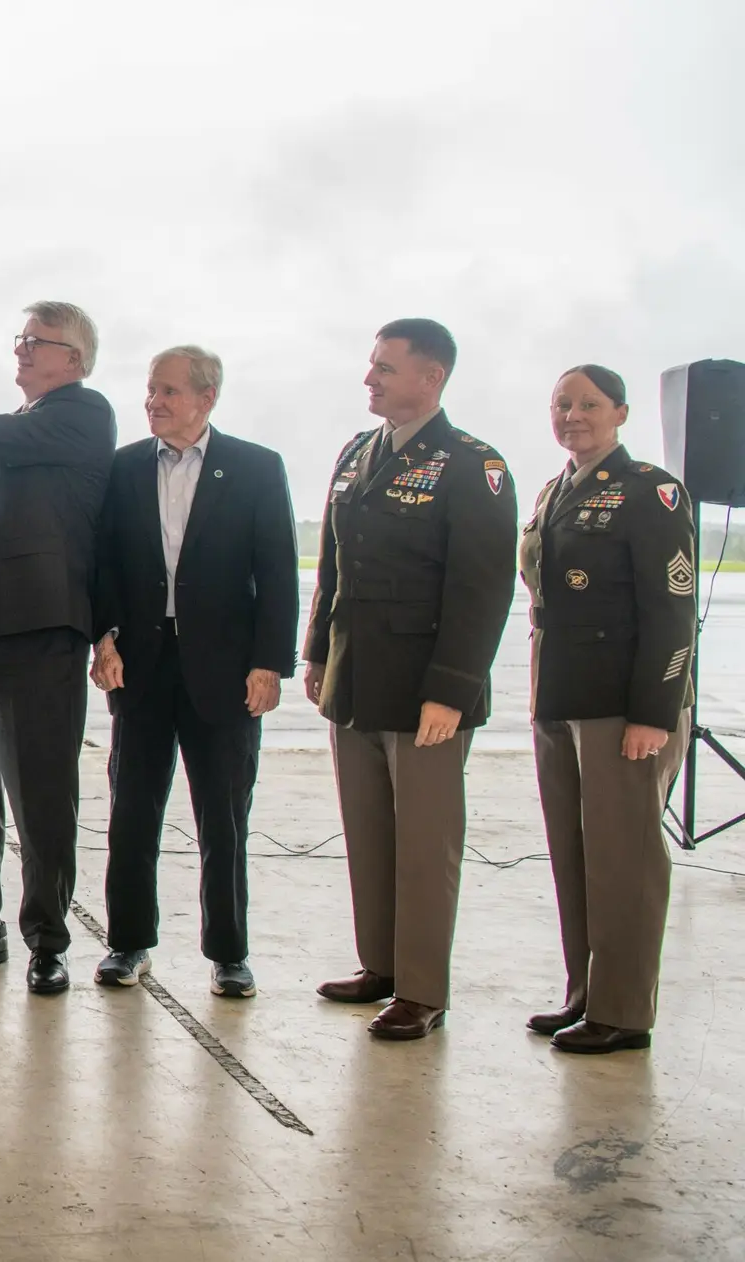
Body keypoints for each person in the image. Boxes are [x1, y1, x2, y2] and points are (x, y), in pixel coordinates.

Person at [304, 317, 519, 1040]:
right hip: (356, 680)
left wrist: (451, 690)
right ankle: (383, 967)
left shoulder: (471, 464)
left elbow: (483, 588)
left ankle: (423, 991)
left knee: (426, 846)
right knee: (368, 835)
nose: (370, 378)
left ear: (431, 377)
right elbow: (333, 568)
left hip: (425, 691)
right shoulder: (357, 452)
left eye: (385, 368)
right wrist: (316, 653)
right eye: (371, 366)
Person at [89, 347, 299, 998]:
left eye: (169, 392)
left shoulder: (257, 468)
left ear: (206, 398)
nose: (154, 401)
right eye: (150, 390)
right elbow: (103, 566)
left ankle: (229, 954)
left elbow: (279, 574)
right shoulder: (122, 469)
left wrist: (270, 663)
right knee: (132, 814)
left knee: (224, 819)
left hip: (226, 673)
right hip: (142, 669)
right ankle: (128, 944)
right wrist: (104, 639)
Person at [0, 301, 118, 996]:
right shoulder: (5, 457)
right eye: (21, 340)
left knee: (40, 798)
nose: (22, 351)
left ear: (73, 358)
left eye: (37, 343)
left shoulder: (81, 414)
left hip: (39, 636)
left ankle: (48, 940)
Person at [520, 364, 695, 1054]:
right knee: (576, 854)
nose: (573, 415)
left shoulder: (650, 491)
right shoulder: (554, 491)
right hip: (562, 699)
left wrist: (653, 711)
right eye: (561, 404)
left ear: (620, 412)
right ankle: (584, 993)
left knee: (624, 860)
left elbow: (672, 612)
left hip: (626, 709)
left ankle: (624, 1011)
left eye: (588, 404)